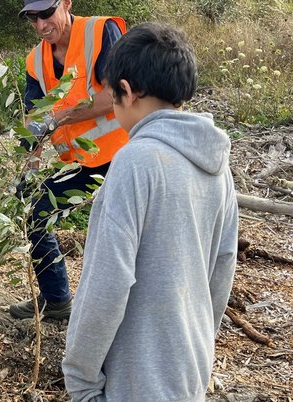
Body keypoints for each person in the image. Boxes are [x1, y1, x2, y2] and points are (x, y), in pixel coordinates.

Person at [62, 22, 239, 401]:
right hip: (189, 369)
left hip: (137, 378)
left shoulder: (135, 162)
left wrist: (80, 376)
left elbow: (106, 285)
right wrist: (200, 347)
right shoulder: (217, 166)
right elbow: (221, 274)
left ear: (125, 90)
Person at [9, 0, 128, 319]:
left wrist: (57, 119)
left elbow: (116, 95)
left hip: (125, 156)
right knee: (29, 208)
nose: (40, 25)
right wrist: (30, 165)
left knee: (125, 237)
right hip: (80, 163)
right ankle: (57, 300)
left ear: (66, 3)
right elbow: (35, 116)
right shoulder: (35, 61)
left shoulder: (101, 31)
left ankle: (127, 315)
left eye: (46, 14)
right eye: (32, 18)